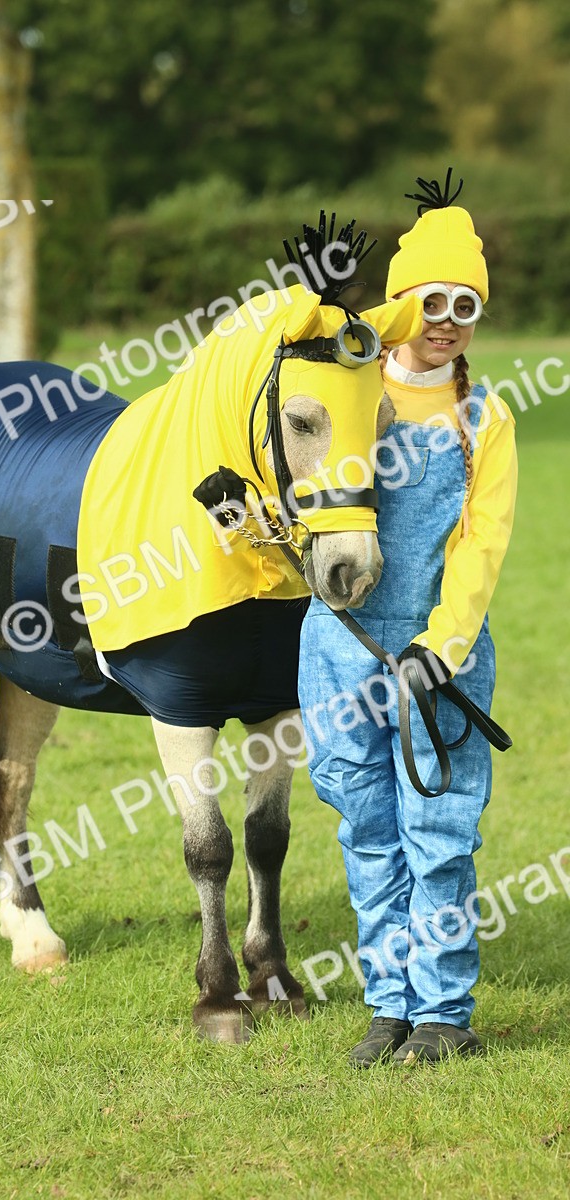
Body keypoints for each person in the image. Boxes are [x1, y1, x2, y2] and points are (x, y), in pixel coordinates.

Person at [298, 173, 518, 1065]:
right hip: (340, 656)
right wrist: (315, 303)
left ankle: (444, 1014)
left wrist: (444, 645)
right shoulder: (350, 385)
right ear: (400, 302)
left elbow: (481, 543)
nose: (448, 318)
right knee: (369, 831)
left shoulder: (484, 417)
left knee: (439, 834)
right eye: (432, 299)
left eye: (465, 304)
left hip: (437, 661)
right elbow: (300, 369)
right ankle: (388, 1003)